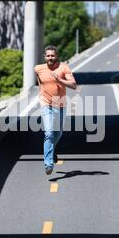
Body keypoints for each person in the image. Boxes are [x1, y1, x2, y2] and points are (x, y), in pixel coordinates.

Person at [34, 45, 77, 175]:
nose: (50, 58)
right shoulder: (38, 69)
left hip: (61, 104)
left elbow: (74, 85)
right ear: (44, 57)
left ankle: (52, 150)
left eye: (52, 55)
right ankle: (48, 164)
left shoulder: (64, 68)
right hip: (46, 104)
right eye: (48, 56)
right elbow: (40, 84)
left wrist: (60, 80)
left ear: (56, 56)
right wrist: (42, 96)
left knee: (58, 133)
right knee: (49, 133)